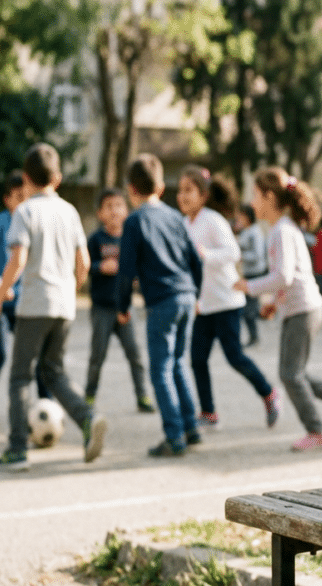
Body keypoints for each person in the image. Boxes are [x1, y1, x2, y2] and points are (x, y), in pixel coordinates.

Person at [0, 143, 107, 471]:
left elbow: (18, 259)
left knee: (20, 377)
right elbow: (84, 262)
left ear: (25, 179)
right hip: (64, 304)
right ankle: (87, 417)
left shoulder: (25, 211)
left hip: (35, 303)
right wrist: (71, 287)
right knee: (53, 371)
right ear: (58, 178)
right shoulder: (69, 211)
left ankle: (16, 449)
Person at [235, 167, 322, 452]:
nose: (252, 203)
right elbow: (287, 277)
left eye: (255, 195)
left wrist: (248, 287)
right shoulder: (281, 230)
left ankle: (318, 431)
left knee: (290, 375)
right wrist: (274, 305)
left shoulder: (281, 231)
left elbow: (284, 277)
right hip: (299, 309)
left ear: (269, 196)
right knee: (294, 373)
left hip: (304, 310)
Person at [177, 165, 280, 431]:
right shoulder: (182, 224)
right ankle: (209, 413)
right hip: (203, 305)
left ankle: (268, 392)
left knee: (234, 357)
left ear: (203, 195)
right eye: (180, 190)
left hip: (226, 301)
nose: (183, 196)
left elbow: (233, 252)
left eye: (189, 190)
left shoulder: (212, 220)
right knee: (197, 359)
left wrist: (206, 254)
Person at [116, 154, 204, 458]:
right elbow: (195, 260)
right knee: (179, 362)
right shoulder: (174, 217)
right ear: (161, 187)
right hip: (186, 294)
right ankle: (191, 427)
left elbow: (126, 270)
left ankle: (174, 435)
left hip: (163, 300)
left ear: (131, 189)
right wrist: (197, 293)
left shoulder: (134, 221)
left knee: (161, 369)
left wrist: (122, 304)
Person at [84, 188, 155, 413]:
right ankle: (89, 397)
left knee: (135, 354)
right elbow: (84, 266)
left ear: (126, 210)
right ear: (100, 213)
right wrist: (99, 267)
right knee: (97, 355)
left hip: (125, 307)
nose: (114, 210)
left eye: (119, 205)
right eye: (109, 206)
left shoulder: (131, 236)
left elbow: (141, 267)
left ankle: (143, 396)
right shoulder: (96, 239)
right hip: (102, 308)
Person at [0, 170, 48, 411]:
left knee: (40, 358)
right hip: (0, 303)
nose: (24, 201)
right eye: (18, 196)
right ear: (7, 199)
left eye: (27, 195)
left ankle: (45, 406)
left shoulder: (33, 222)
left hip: (27, 304)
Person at [235, 204, 268, 346]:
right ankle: (253, 336)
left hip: (255, 274)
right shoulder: (247, 231)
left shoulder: (255, 232)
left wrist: (240, 255)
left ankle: (254, 337)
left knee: (249, 309)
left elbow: (257, 255)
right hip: (248, 273)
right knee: (248, 308)